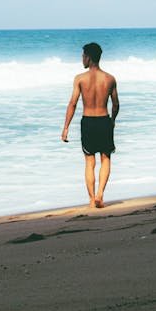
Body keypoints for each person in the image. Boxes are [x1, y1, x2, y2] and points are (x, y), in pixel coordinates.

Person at [61, 42, 119, 210]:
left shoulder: (80, 79)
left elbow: (72, 103)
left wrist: (66, 127)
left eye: (83, 56)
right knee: (106, 158)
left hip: (88, 122)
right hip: (103, 121)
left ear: (88, 57)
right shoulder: (109, 79)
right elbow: (115, 104)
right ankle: (101, 194)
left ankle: (92, 199)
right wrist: (113, 121)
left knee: (89, 162)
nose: (82, 59)